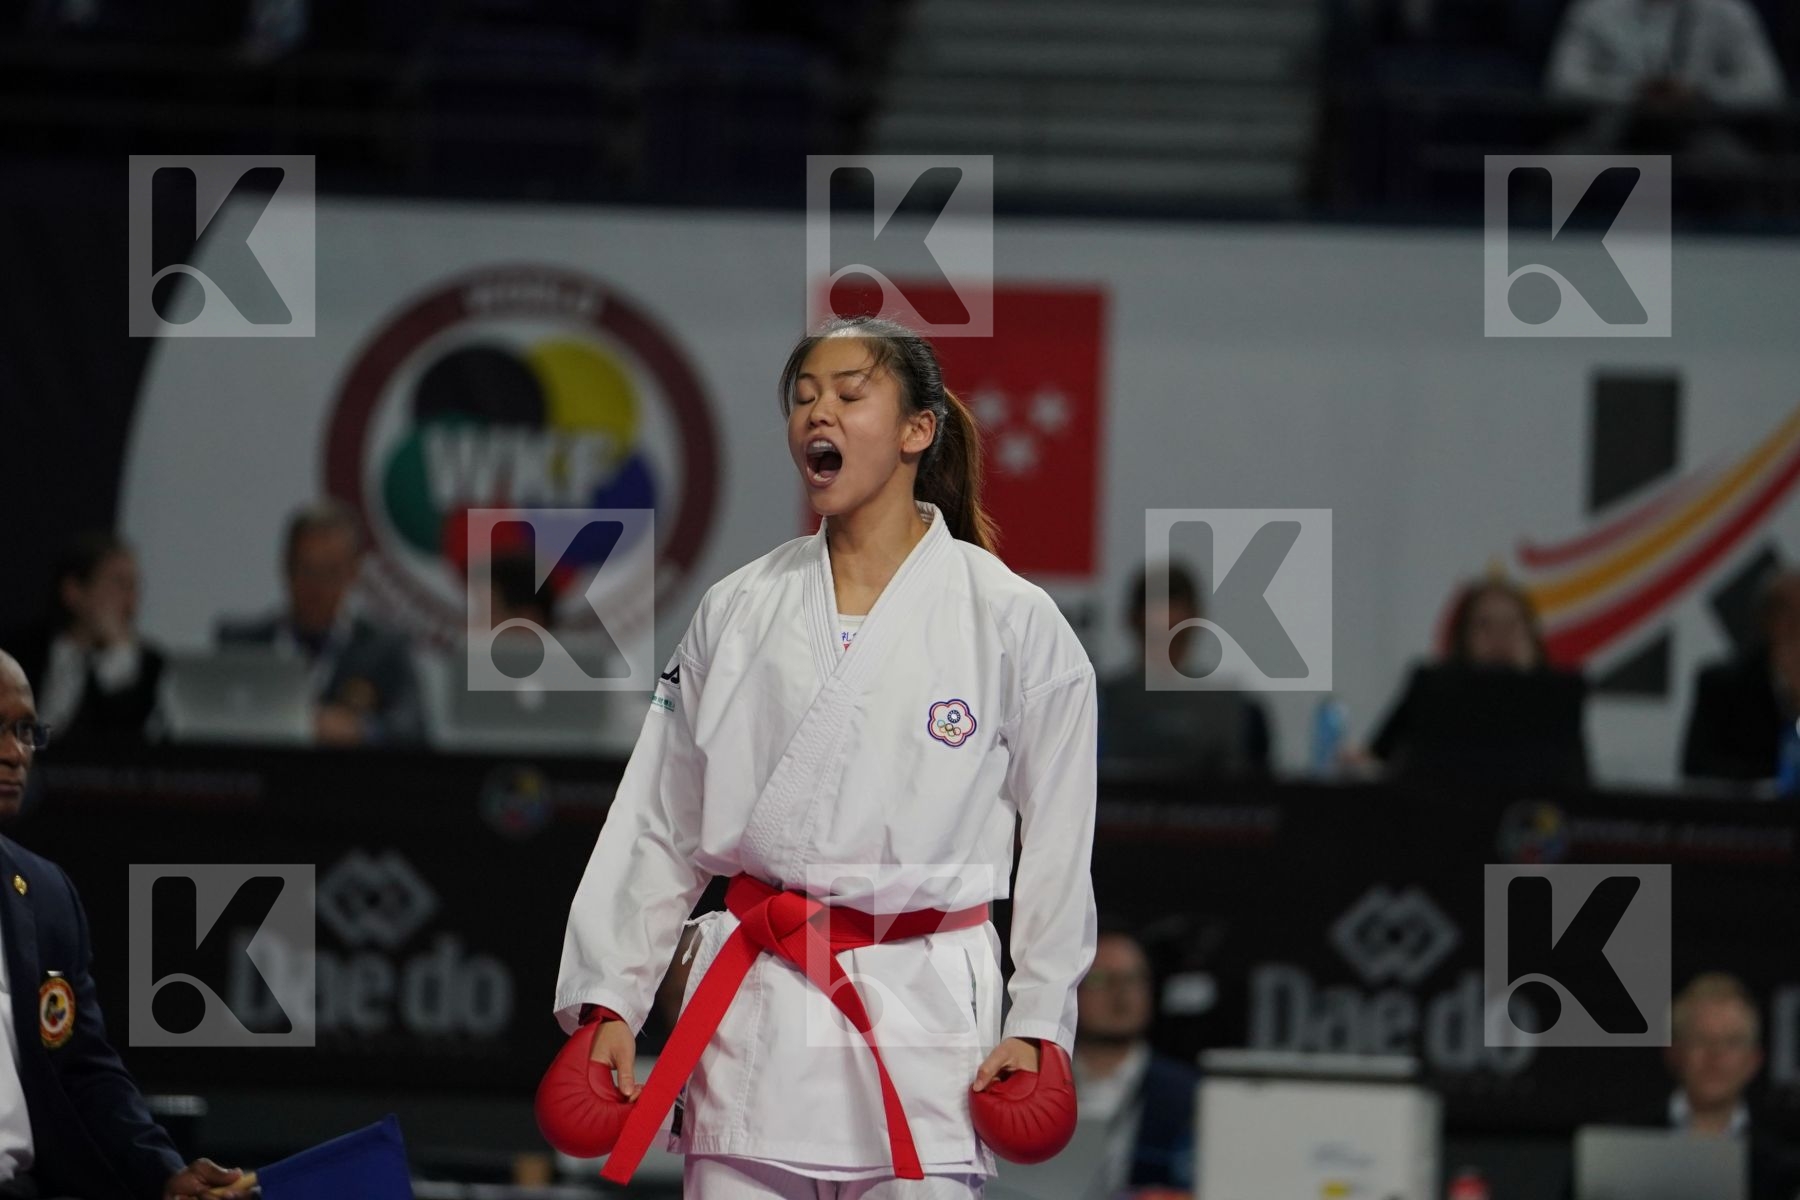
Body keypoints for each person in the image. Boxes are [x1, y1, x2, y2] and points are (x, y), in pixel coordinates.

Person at [552, 315, 1099, 1197]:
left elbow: (1061, 847)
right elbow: (659, 820)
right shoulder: (738, 609)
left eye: (851, 396)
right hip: (760, 1013)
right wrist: (611, 994)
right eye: (804, 399)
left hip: (926, 1020)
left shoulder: (1010, 620)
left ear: (919, 430)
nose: (820, 416)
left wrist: (1040, 1017)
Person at [0, 648, 249, 1199]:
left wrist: (164, 1173)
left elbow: (85, 1071)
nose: (15, 753)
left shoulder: (45, 896)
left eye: (24, 730)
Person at [216, 500, 422, 746]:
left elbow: (414, 729)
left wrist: (361, 730)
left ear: (353, 573)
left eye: (330, 571)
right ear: (286, 567)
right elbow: (210, 721)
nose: (316, 586)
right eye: (306, 569)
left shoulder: (384, 649)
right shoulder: (243, 645)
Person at [1362, 578, 1590, 787]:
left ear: (1531, 636)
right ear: (1464, 637)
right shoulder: (1433, 690)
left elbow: (1577, 782)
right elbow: (1375, 758)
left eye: (1511, 625)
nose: (1499, 637)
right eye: (1484, 625)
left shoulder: (1558, 699)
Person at [1545, 0, 1785, 196]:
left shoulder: (1726, 10)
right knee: (1562, 165)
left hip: (1697, 129)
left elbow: (1766, 88)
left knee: (1734, 167)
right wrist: (1632, 92)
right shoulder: (1596, 9)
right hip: (1615, 130)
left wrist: (1701, 92)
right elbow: (1563, 82)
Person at [1611, 973, 1800, 1200]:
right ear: (1674, 1052)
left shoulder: (1784, 1169)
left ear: (1754, 1060)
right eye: (1701, 1039)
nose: (1716, 1055)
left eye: (1732, 1042)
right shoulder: (1618, 1153)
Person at [1098, 563, 1271, 779]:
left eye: (1177, 634)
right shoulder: (1098, 704)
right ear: (1134, 620)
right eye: (1158, 635)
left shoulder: (1241, 713)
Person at [4, 533, 165, 747]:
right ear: (73, 591)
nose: (131, 601)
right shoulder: (22, 651)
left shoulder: (147, 665)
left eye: (134, 587)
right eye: (119, 584)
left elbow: (128, 744)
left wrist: (118, 655)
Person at [1072, 926, 1198, 1194]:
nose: (1121, 994)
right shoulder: (1033, 1083)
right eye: (1100, 979)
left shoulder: (1188, 1095)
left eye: (1133, 979)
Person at [1681, 569, 1800, 783]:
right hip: (1749, 812)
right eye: (1793, 621)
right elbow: (1697, 768)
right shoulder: (1723, 685)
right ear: (1772, 622)